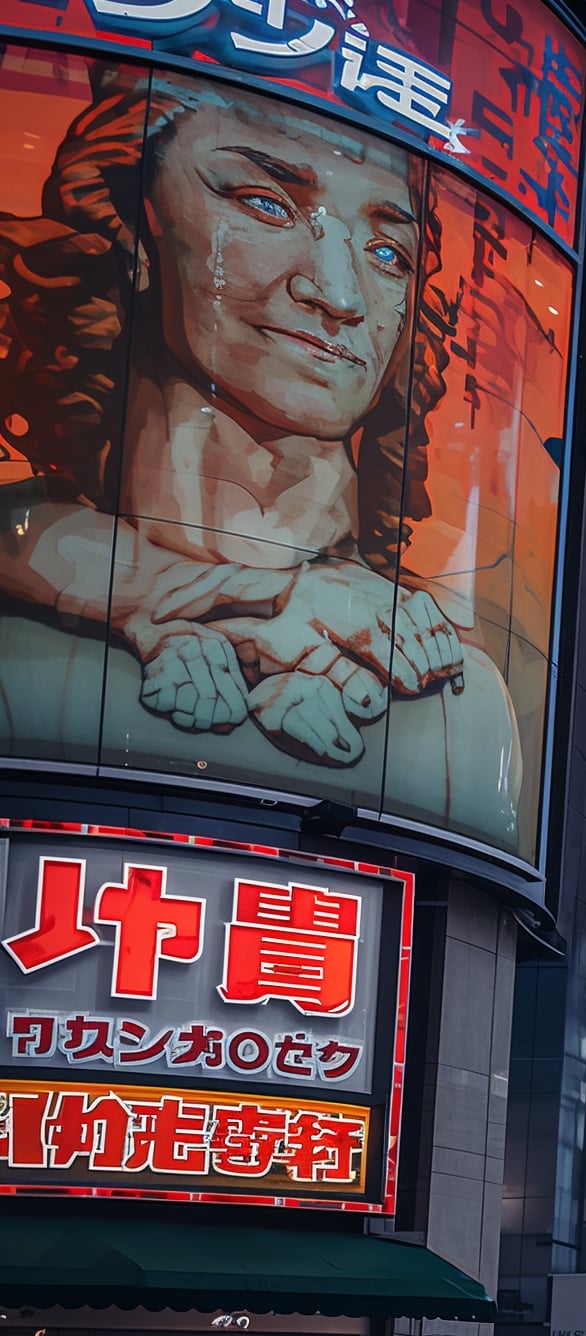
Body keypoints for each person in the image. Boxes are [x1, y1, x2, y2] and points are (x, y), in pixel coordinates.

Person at [0, 62, 525, 847]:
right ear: (134, 226)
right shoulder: (24, 616)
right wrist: (253, 599)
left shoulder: (459, 693)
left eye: (388, 254)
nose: (340, 295)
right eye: (264, 203)